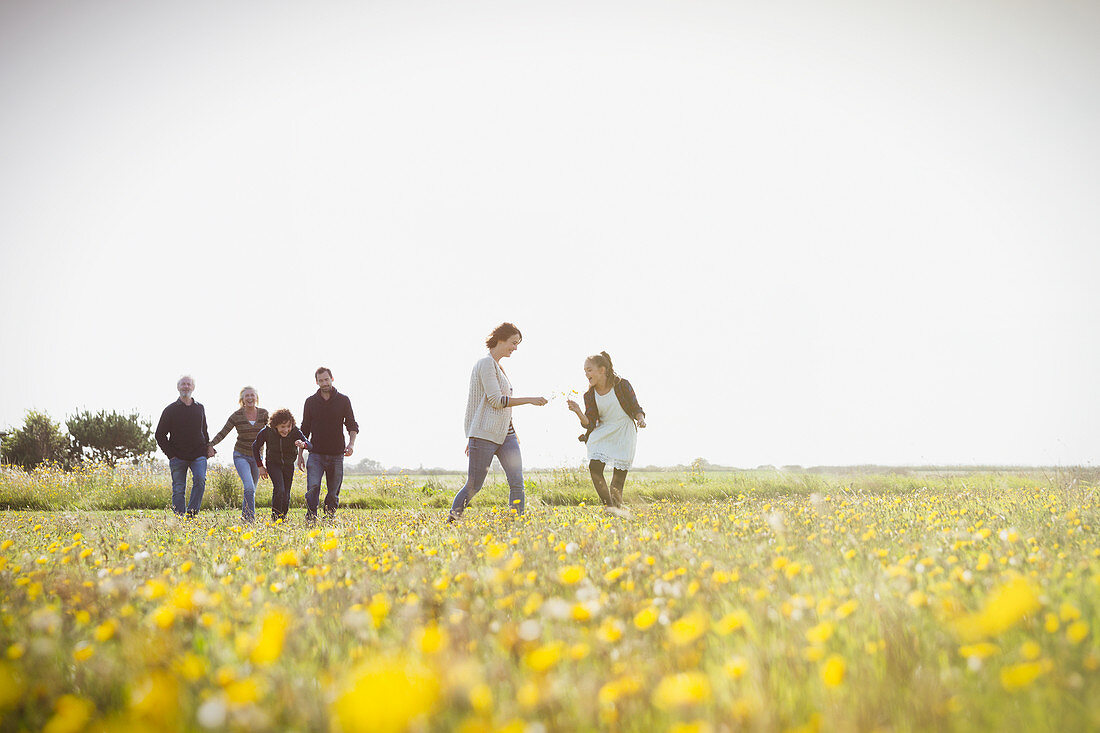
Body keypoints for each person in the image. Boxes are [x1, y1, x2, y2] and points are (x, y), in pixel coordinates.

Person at [449, 323, 548, 521]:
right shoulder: (485, 364)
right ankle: (452, 521)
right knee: (474, 485)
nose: (515, 348)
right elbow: (496, 401)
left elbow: (502, 407)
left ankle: (516, 523)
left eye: (518, 344)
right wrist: (531, 400)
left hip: (506, 434)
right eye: (513, 342)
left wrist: (513, 430)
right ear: (501, 339)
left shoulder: (499, 367)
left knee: (517, 483)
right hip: (485, 434)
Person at [567, 352, 646, 509]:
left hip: (624, 431)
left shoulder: (622, 385)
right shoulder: (589, 395)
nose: (586, 374)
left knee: (618, 480)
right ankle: (608, 507)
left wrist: (640, 418)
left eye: (589, 370)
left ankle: (617, 510)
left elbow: (636, 407)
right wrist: (577, 411)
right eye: (584, 371)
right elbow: (589, 422)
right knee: (594, 468)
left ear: (602, 370)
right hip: (603, 431)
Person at [301, 367, 358, 523]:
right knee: (313, 488)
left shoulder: (343, 400)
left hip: (336, 454)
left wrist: (351, 444)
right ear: (316, 382)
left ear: (332, 379)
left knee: (333, 492)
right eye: (321, 380)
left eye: (326, 379)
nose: (324, 383)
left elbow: (352, 425)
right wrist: (300, 455)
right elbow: (304, 430)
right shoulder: (310, 402)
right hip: (315, 454)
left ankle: (329, 518)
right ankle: (311, 517)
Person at [209, 386, 270, 523]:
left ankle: (245, 518)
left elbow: (271, 435)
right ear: (242, 399)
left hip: (257, 458)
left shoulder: (264, 414)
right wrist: (211, 444)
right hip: (241, 455)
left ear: (256, 398)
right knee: (248, 487)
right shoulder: (237, 416)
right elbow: (223, 432)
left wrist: (266, 460)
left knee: (251, 490)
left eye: (252, 395)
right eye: (246, 396)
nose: (249, 398)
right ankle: (250, 521)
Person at [155, 375, 212, 517]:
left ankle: (191, 515)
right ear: (178, 387)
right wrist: (171, 455)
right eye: (183, 384)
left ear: (193, 387)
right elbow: (160, 434)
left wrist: (208, 447)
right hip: (178, 456)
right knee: (179, 489)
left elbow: (204, 430)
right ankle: (179, 518)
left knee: (200, 480)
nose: (186, 386)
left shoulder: (200, 408)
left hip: (198, 454)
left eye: (188, 384)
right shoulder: (170, 410)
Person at [251, 409, 310, 523]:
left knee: (286, 494)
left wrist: (303, 444)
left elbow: (309, 444)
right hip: (273, 464)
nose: (286, 430)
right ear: (275, 425)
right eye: (282, 427)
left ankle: (282, 519)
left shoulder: (295, 431)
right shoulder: (267, 431)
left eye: (288, 426)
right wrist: (260, 466)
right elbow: (255, 446)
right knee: (279, 489)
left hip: (288, 465)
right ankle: (275, 518)